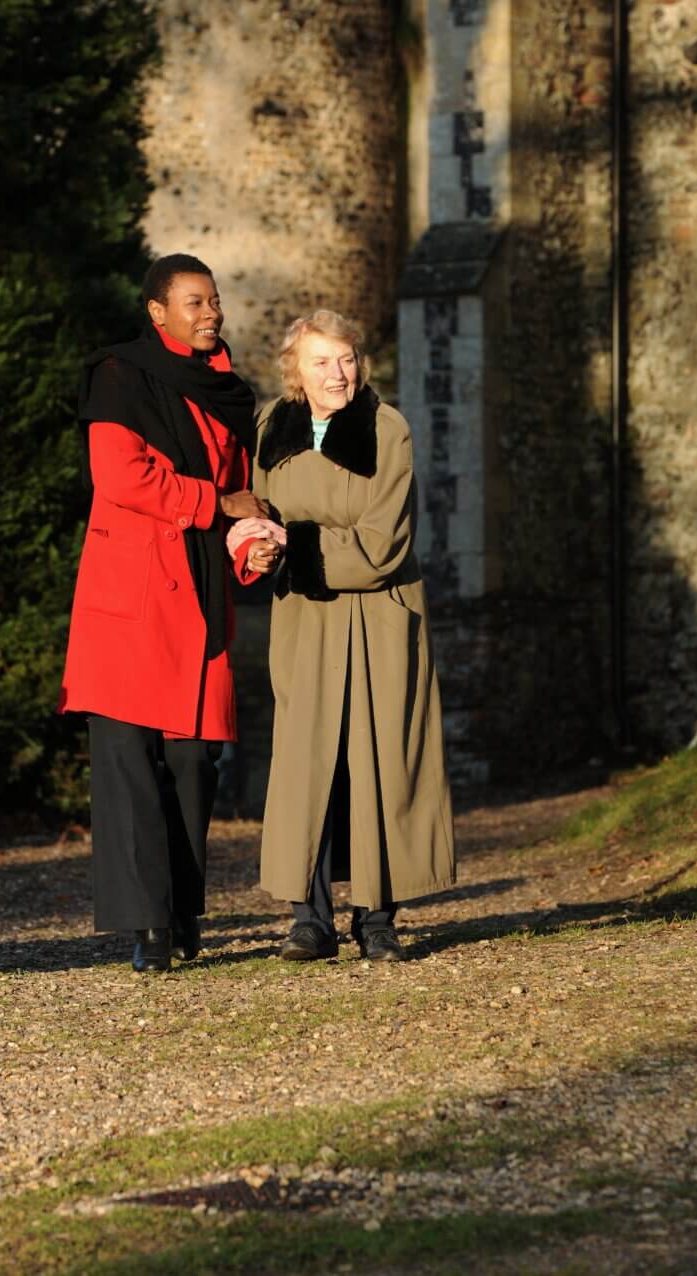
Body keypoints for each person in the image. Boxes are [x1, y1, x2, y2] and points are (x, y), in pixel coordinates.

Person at [58, 254, 268, 973]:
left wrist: (251, 545)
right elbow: (121, 476)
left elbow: (245, 492)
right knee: (125, 761)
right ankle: (145, 926)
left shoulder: (230, 395)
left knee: (191, 761)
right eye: (193, 302)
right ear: (157, 312)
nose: (210, 312)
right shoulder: (120, 376)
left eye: (214, 300)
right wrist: (217, 506)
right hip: (128, 597)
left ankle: (181, 911)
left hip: (201, 599)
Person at [230, 310, 455, 963]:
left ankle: (377, 918)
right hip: (306, 615)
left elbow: (383, 545)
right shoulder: (274, 426)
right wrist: (257, 547)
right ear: (295, 369)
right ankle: (310, 919)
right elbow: (261, 511)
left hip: (380, 614)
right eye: (322, 361)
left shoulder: (388, 430)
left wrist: (288, 542)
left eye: (347, 359)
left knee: (378, 759)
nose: (338, 373)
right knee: (307, 764)